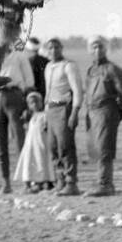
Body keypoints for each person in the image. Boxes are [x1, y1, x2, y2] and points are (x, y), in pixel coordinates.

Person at [83, 35, 122, 196]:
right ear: (90, 50)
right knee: (96, 150)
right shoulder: (90, 70)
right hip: (92, 112)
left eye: (100, 47)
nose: (97, 50)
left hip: (106, 111)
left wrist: (117, 113)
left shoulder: (112, 69)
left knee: (105, 149)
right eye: (94, 47)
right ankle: (101, 181)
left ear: (105, 49)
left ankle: (106, 185)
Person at [0, 45, 36, 193]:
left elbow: (29, 79)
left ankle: (26, 181)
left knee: (19, 139)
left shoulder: (19, 56)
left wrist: (27, 99)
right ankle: (5, 182)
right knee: (0, 142)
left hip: (14, 95)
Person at [44, 37, 84, 196]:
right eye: (50, 48)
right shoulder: (48, 67)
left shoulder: (68, 66)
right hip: (51, 109)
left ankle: (71, 183)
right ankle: (59, 181)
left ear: (61, 48)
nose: (53, 51)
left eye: (56, 47)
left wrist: (74, 112)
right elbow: (48, 92)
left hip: (64, 108)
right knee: (53, 147)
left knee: (65, 146)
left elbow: (77, 91)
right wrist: (46, 114)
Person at [14, 92, 55, 192]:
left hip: (41, 144)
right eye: (32, 103)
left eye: (37, 102)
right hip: (30, 145)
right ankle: (29, 183)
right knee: (28, 162)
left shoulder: (45, 115)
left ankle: (43, 182)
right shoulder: (30, 117)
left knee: (41, 161)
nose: (35, 104)